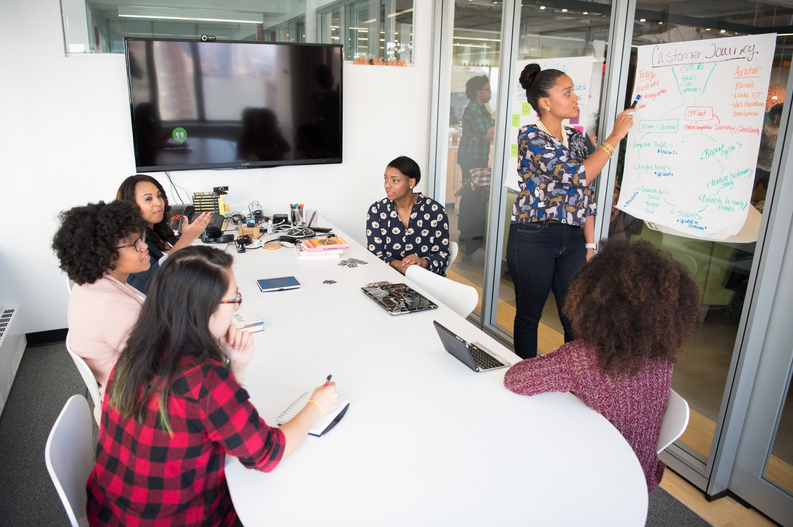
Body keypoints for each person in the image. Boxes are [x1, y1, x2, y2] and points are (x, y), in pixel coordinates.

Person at [86, 246, 339, 526]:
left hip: (111, 513)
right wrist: (316, 405)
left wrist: (236, 366)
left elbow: (208, 418)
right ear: (205, 309)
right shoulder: (203, 379)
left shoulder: (137, 350)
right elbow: (267, 454)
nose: (236, 309)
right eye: (234, 300)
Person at [503, 240, 701, 493]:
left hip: (595, 479)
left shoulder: (582, 357)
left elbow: (515, 379)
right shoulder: (661, 356)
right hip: (640, 476)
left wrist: (559, 357)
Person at [507, 64, 635, 359]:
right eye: (567, 93)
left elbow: (585, 195)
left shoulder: (576, 139)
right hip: (534, 236)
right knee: (530, 315)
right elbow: (578, 176)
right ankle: (525, 376)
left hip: (574, 238)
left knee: (575, 318)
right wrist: (615, 136)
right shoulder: (531, 138)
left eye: (574, 91)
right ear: (545, 102)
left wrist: (589, 244)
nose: (575, 98)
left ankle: (573, 381)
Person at [52, 200, 150, 417]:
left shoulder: (90, 284)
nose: (143, 246)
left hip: (121, 392)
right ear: (104, 254)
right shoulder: (112, 305)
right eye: (134, 244)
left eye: (140, 238)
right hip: (138, 409)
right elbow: (163, 364)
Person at [116, 174, 212, 294]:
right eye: (148, 199)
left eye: (159, 196)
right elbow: (151, 283)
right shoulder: (131, 244)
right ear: (130, 206)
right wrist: (186, 239)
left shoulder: (161, 232)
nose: (158, 202)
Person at [366, 156, 451, 275]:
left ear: (411, 182)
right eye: (386, 179)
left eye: (395, 180)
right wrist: (398, 265)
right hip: (388, 279)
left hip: (426, 281)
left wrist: (422, 262)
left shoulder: (435, 211)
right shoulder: (377, 211)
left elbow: (443, 255)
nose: (387, 185)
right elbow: (374, 255)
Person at [457, 75, 494, 256]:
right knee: (470, 193)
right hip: (471, 156)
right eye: (487, 89)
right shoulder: (473, 109)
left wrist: (486, 132)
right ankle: (466, 233)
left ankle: (467, 234)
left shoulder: (483, 109)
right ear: (479, 92)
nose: (490, 92)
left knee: (472, 193)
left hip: (478, 155)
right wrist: (484, 133)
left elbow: (492, 129)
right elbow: (486, 132)